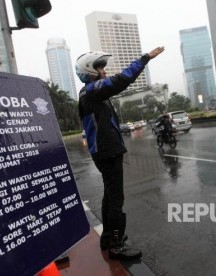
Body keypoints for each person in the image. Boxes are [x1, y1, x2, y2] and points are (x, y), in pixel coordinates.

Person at [76, 46, 165, 260]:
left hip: (105, 150)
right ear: (90, 71)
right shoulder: (92, 90)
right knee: (116, 199)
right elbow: (121, 79)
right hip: (106, 151)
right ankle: (116, 245)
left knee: (110, 196)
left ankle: (108, 238)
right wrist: (145, 58)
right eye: (100, 68)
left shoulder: (91, 92)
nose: (104, 72)